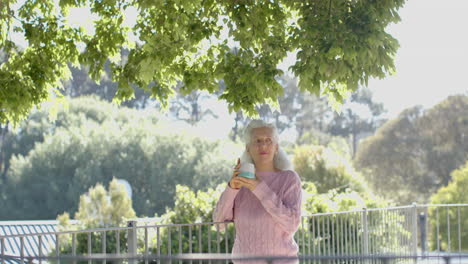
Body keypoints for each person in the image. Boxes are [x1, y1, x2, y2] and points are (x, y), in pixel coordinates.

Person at [213, 120, 302, 263]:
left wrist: (258, 187)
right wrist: (232, 188)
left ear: (276, 147)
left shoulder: (289, 179)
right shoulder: (239, 183)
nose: (263, 145)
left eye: (268, 140)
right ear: (248, 148)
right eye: (258, 141)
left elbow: (292, 224)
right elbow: (219, 224)